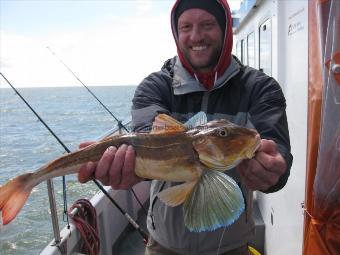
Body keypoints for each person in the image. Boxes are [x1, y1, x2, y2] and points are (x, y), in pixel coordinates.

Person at [78, 0, 293, 254]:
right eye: (186, 26)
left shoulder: (259, 88)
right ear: (176, 33)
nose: (196, 36)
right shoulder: (155, 86)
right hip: (163, 245)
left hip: (232, 246)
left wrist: (273, 170)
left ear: (225, 28)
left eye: (207, 24)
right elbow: (150, 141)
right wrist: (129, 169)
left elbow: (276, 147)